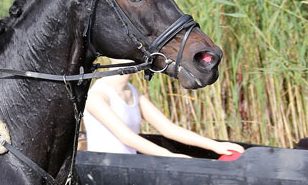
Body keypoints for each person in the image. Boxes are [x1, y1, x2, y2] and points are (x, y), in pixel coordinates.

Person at [83, 64, 244, 158]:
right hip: (104, 168)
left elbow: (168, 129)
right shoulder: (96, 96)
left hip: (127, 164)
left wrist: (215, 146)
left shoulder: (132, 91)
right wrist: (170, 157)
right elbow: (127, 137)